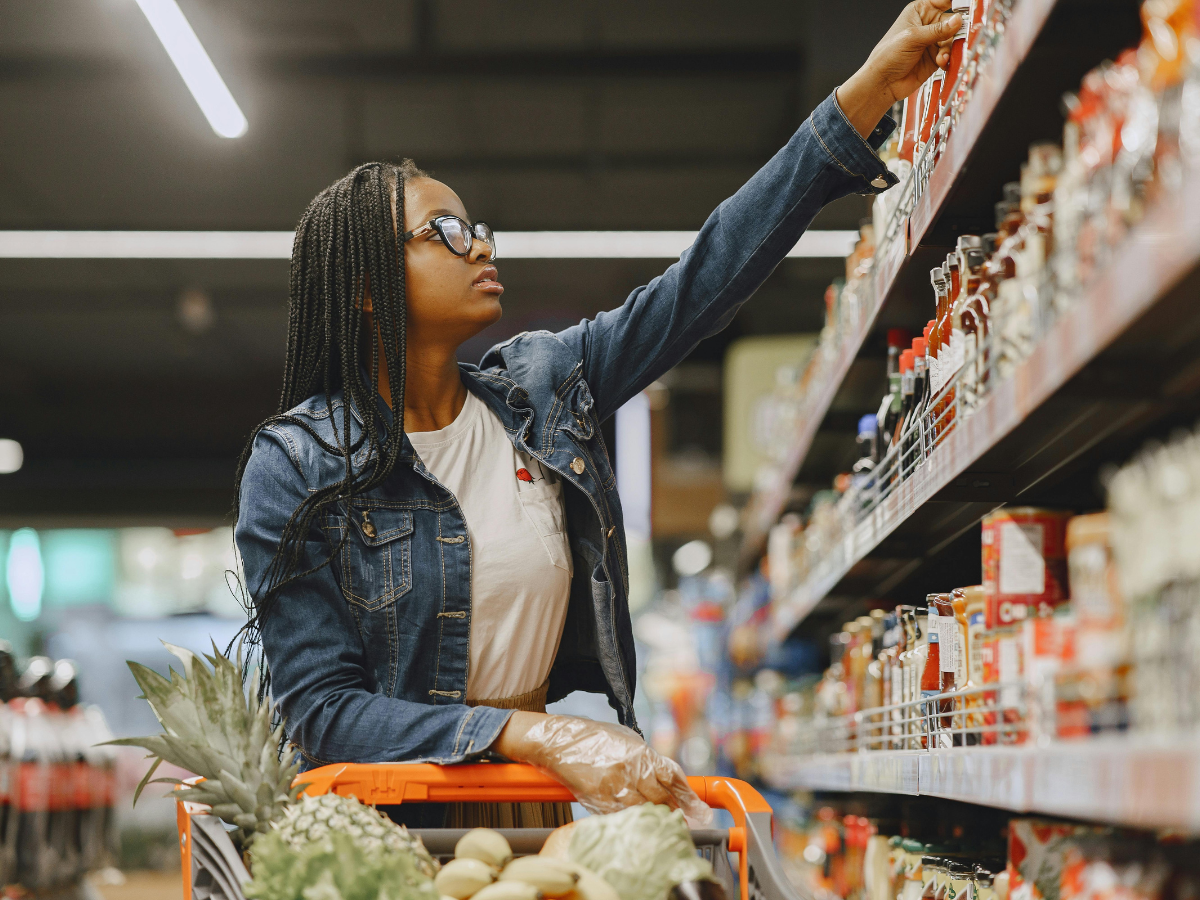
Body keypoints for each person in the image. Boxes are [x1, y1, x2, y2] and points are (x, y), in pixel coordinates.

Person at [234, 0, 964, 828]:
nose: (480, 245)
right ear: (366, 287)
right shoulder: (296, 467)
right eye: (443, 230)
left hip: (535, 816)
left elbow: (703, 279)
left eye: (477, 226)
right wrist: (531, 737)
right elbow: (324, 715)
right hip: (381, 836)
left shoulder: (539, 392)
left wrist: (863, 98)